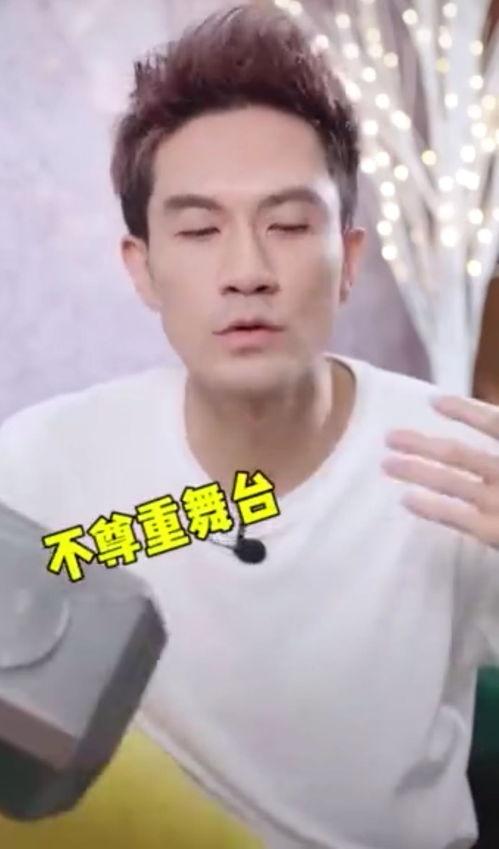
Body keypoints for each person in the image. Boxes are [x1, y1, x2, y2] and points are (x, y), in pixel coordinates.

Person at [0, 5, 498, 848]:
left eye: (289, 225)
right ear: (143, 268)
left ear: (347, 260)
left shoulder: (459, 456)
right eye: (199, 230)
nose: (246, 272)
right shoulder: (40, 464)